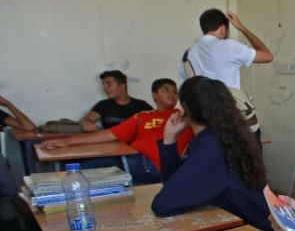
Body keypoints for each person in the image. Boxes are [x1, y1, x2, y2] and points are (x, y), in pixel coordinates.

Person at [151, 76, 273, 231]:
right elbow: (174, 184)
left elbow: (163, 205)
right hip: (247, 224)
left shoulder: (212, 147)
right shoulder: (221, 135)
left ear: (185, 109)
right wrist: (169, 138)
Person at [42, 79, 193, 184]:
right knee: (76, 166)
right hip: (129, 159)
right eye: (166, 90)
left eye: (175, 91)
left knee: (80, 172)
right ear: (154, 95)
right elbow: (109, 134)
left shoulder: (184, 117)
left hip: (153, 165)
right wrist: (66, 142)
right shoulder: (142, 116)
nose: (172, 94)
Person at [181, 9, 274, 139]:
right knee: (249, 157)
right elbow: (267, 56)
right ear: (223, 29)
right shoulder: (228, 47)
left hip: (206, 123)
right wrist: (242, 28)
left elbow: (184, 89)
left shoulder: (189, 54)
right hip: (233, 121)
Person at [78, 70, 152, 131]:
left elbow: (157, 122)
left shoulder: (141, 105)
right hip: (112, 145)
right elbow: (85, 120)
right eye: (103, 84)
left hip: (136, 145)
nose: (105, 88)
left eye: (109, 84)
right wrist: (86, 124)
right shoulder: (103, 105)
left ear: (122, 86)